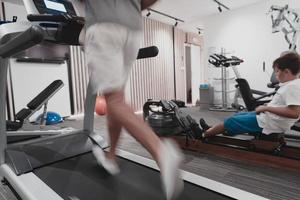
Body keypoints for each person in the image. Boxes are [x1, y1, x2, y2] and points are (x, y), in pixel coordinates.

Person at [80, 1, 184, 199]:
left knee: (115, 102)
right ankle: (111, 157)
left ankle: (161, 152)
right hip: (132, 30)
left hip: (104, 26)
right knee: (117, 99)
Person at [200, 52, 300, 138]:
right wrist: (268, 106)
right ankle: (212, 128)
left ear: (286, 72)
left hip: (271, 122)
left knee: (231, 120)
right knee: (239, 115)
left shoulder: (292, 87)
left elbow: (294, 112)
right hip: (271, 118)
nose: (276, 75)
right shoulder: (291, 84)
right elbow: (285, 105)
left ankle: (204, 134)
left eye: (277, 71)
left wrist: (267, 109)